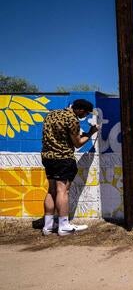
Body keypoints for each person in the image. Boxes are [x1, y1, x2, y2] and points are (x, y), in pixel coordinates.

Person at [41, 99, 98, 236]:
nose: (85, 116)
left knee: (52, 190)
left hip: (48, 157)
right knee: (63, 191)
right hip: (63, 159)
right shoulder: (72, 119)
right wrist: (90, 133)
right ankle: (64, 225)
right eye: (85, 113)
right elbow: (78, 143)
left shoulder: (51, 114)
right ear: (79, 110)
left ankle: (48, 226)